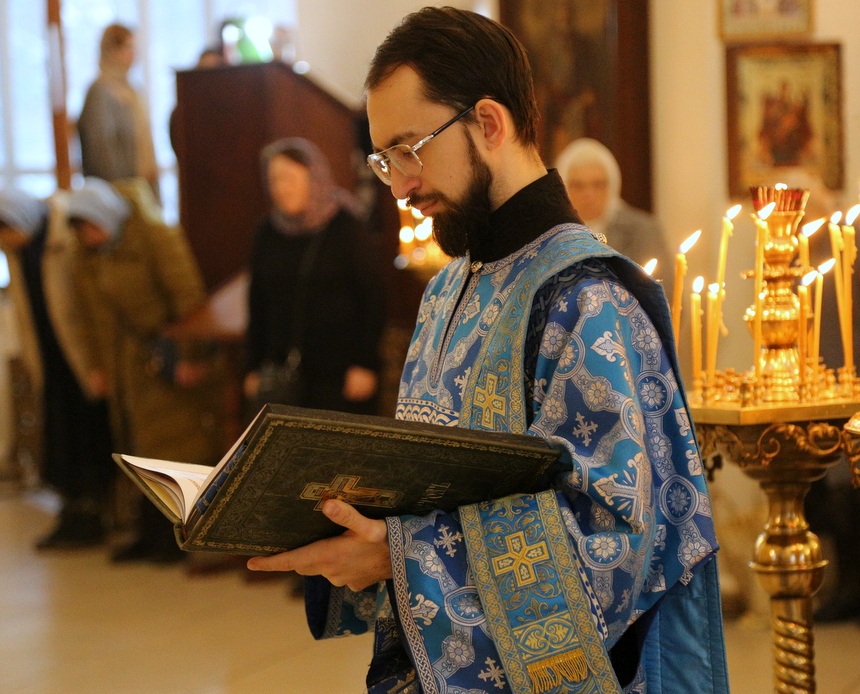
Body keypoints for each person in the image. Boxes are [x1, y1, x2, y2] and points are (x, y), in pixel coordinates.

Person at [247, 8, 728, 694]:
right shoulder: (447, 290)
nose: (400, 187)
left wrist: (397, 559)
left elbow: (615, 542)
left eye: (409, 150)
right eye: (384, 160)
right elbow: (427, 483)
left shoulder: (587, 299)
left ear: (490, 124)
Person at [67, 177, 221, 563]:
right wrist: (97, 367)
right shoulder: (87, 257)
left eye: (92, 226)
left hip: (163, 360)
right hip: (124, 367)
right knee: (134, 449)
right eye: (81, 229)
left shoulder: (155, 237)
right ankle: (149, 532)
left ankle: (181, 535)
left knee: (174, 446)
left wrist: (189, 355)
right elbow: (88, 317)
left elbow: (188, 296)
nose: (89, 236)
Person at [0, 188, 113, 548]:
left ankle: (94, 517)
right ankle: (71, 513)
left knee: (89, 436)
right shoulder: (16, 252)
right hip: (49, 356)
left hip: (79, 355)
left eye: (7, 231)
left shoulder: (65, 235)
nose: (6, 240)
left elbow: (86, 303)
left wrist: (97, 363)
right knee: (60, 438)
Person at [243, 138, 385, 417]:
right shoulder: (267, 232)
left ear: (314, 178)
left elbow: (373, 300)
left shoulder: (347, 228)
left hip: (341, 375)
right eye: (274, 180)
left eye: (289, 178)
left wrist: (365, 364)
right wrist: (252, 366)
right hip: (283, 374)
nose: (280, 188)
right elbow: (257, 304)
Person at [556, 137, 673, 286]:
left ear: (612, 185)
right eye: (578, 185)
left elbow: (665, 289)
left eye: (598, 185)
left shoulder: (643, 230)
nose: (589, 194)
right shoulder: (551, 233)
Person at [77, 24, 159, 197]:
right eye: (128, 48)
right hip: (117, 193)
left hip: (140, 187)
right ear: (112, 50)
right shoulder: (100, 91)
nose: (133, 55)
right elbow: (101, 150)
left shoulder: (132, 90)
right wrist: (122, 191)